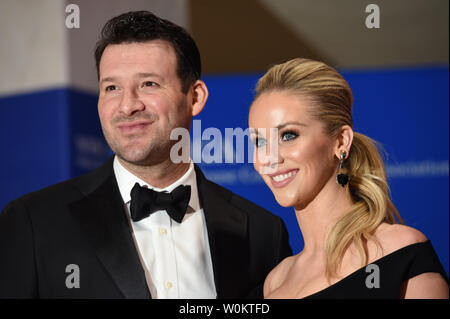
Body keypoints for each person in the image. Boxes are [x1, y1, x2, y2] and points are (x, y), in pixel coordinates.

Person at [0, 11, 292, 299]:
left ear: (195, 97)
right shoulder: (34, 222)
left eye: (148, 84)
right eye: (112, 88)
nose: (127, 106)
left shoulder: (262, 233)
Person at [248, 57, 449, 299]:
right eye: (259, 141)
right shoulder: (275, 282)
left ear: (341, 141)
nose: (269, 158)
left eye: (288, 135)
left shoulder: (398, 251)